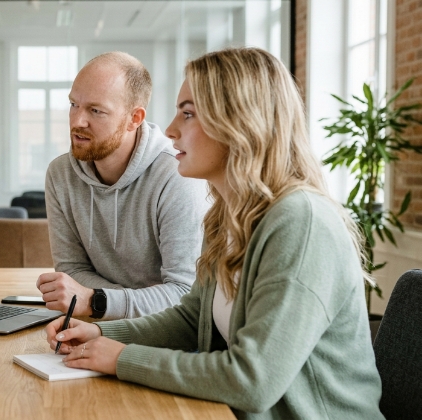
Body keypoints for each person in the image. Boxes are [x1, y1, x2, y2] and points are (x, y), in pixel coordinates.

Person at [44, 48, 384, 419]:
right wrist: (104, 337)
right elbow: (192, 320)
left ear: (240, 124)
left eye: (188, 114)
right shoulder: (227, 215)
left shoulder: (302, 223)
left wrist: (122, 357)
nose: (170, 129)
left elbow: (252, 381)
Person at [38, 52, 208, 320]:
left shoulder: (177, 174)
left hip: (170, 336)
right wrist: (138, 298)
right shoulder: (61, 174)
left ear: (135, 118)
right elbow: (71, 272)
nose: (77, 121)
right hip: (106, 324)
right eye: (73, 104)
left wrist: (97, 300)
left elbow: (183, 294)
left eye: (96, 110)